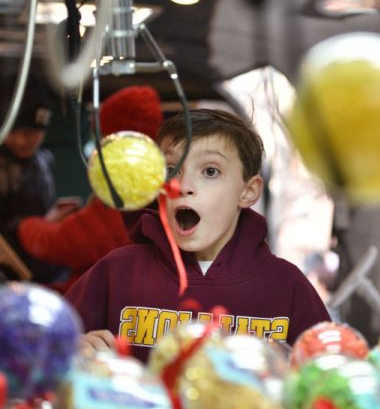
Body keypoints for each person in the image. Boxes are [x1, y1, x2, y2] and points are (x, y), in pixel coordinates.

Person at [67, 108, 331, 360]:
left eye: (210, 171)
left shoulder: (286, 285)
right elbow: (43, 348)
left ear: (248, 192)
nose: (183, 186)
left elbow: (329, 380)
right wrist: (74, 350)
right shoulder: (117, 271)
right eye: (171, 170)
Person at [16, 85, 164, 292]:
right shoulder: (159, 178)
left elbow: (66, 244)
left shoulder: (127, 187)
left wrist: (26, 225)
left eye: (103, 138)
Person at [0, 73, 67, 284]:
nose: (22, 141)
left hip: (45, 271)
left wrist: (53, 221)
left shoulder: (44, 160)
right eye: (14, 131)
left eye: (31, 133)